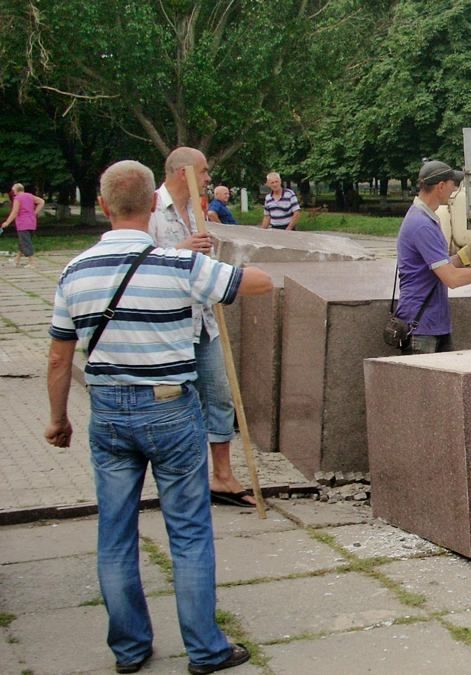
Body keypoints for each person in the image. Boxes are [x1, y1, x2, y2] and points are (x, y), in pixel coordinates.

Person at [45, 159, 271, 674]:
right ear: (153, 205)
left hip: (106, 413)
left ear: (103, 207)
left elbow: (59, 358)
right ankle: (205, 650)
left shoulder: (73, 272)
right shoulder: (177, 266)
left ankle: (128, 649)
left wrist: (58, 419)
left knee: (115, 531)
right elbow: (255, 283)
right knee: (188, 531)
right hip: (171, 409)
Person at [149, 147, 254, 508]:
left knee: (219, 394)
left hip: (204, 321)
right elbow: (138, 264)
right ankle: (178, 480)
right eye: (204, 170)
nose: (209, 176)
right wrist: (182, 248)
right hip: (169, 326)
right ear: (183, 173)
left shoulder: (197, 209)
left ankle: (222, 475)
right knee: (171, 404)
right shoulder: (150, 208)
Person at [395, 160, 471, 354]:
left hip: (433, 323)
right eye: (452, 184)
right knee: (427, 385)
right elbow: (452, 278)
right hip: (422, 326)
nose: (454, 189)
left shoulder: (424, 218)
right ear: (440, 186)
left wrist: (463, 255)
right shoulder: (422, 224)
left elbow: (436, 268)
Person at [1, 183, 46, 267]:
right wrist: (35, 212)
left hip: (23, 223)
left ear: (16, 190)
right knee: (23, 242)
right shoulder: (30, 196)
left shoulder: (17, 198)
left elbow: (15, 212)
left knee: (26, 243)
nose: (13, 191)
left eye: (13, 190)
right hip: (32, 222)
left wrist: (7, 222)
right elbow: (41, 202)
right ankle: (16, 260)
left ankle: (32, 263)